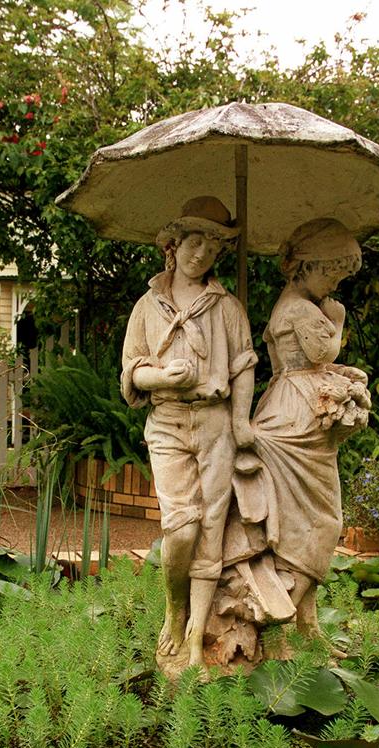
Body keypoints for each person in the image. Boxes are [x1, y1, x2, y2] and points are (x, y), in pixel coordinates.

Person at [213, 218, 371, 656]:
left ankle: (305, 621)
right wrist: (336, 319)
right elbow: (321, 353)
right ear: (306, 266)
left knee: (316, 521)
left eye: (340, 274)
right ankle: (285, 624)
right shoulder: (302, 309)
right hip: (295, 419)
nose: (335, 281)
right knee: (320, 522)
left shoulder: (305, 303)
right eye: (331, 271)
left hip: (301, 409)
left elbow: (317, 362)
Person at [121, 196, 257, 671]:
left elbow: (243, 366)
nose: (202, 254)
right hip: (168, 421)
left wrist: (241, 420)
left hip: (216, 422)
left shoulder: (227, 307)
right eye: (194, 242)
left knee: (212, 531)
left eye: (213, 248)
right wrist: (162, 378)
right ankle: (173, 610)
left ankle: (196, 639)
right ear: (173, 246)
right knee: (182, 527)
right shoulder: (147, 306)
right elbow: (132, 371)